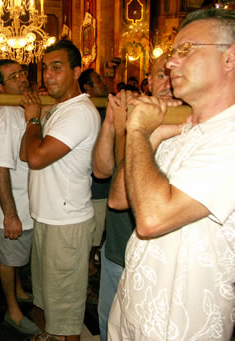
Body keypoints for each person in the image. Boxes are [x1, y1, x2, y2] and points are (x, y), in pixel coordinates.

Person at [107, 8, 235, 340]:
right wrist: (151, 137)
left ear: (230, 58)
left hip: (183, 323)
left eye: (186, 49)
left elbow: (152, 218)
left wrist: (135, 132)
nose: (170, 62)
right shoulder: (183, 127)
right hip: (136, 304)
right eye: (172, 52)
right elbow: (119, 199)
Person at [20, 39, 100, 341]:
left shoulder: (78, 112)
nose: (48, 75)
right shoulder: (58, 109)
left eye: (57, 67)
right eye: (45, 69)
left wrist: (33, 118)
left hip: (66, 223)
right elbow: (25, 154)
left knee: (65, 308)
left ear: (77, 71)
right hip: (47, 216)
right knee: (49, 298)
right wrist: (36, 119)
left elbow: (37, 157)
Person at [92, 52, 172, 341]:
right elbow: (102, 172)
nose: (170, 82)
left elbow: (124, 197)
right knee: (109, 329)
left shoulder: (193, 123)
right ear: (149, 82)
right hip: (117, 248)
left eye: (176, 74)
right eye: (162, 75)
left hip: (159, 260)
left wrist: (133, 130)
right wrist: (113, 124)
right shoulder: (139, 114)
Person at [0, 59, 40, 335]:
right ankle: (12, 310)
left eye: (21, 73)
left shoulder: (20, 107)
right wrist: (10, 213)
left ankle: (18, 290)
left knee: (17, 256)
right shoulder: (5, 114)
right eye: (13, 76)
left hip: (25, 198)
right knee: (9, 259)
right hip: (12, 202)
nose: (22, 79)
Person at [78, 68, 111, 283]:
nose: (103, 83)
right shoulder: (87, 111)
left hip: (107, 184)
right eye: (98, 80)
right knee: (91, 235)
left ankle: (90, 267)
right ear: (87, 88)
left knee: (99, 234)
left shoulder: (107, 107)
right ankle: (87, 273)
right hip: (94, 186)